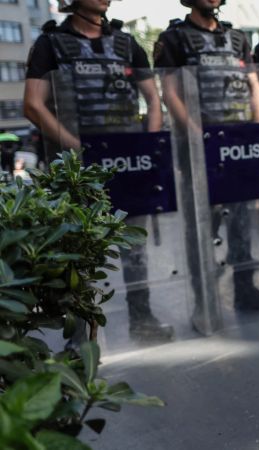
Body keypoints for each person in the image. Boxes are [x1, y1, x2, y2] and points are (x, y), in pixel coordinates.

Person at [23, 0, 172, 341]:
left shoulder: (126, 42)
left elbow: (152, 101)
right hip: (78, 170)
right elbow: (33, 105)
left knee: (134, 248)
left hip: (128, 162)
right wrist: (75, 148)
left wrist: (147, 148)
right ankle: (79, 340)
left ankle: (142, 319)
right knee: (77, 254)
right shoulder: (51, 42)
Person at [154, 0, 259, 313]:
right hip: (200, 148)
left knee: (240, 220)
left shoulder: (237, 38)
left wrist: (257, 132)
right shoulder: (173, 38)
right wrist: (199, 136)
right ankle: (204, 300)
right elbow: (170, 93)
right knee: (203, 225)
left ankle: (244, 290)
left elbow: (253, 86)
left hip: (240, 144)